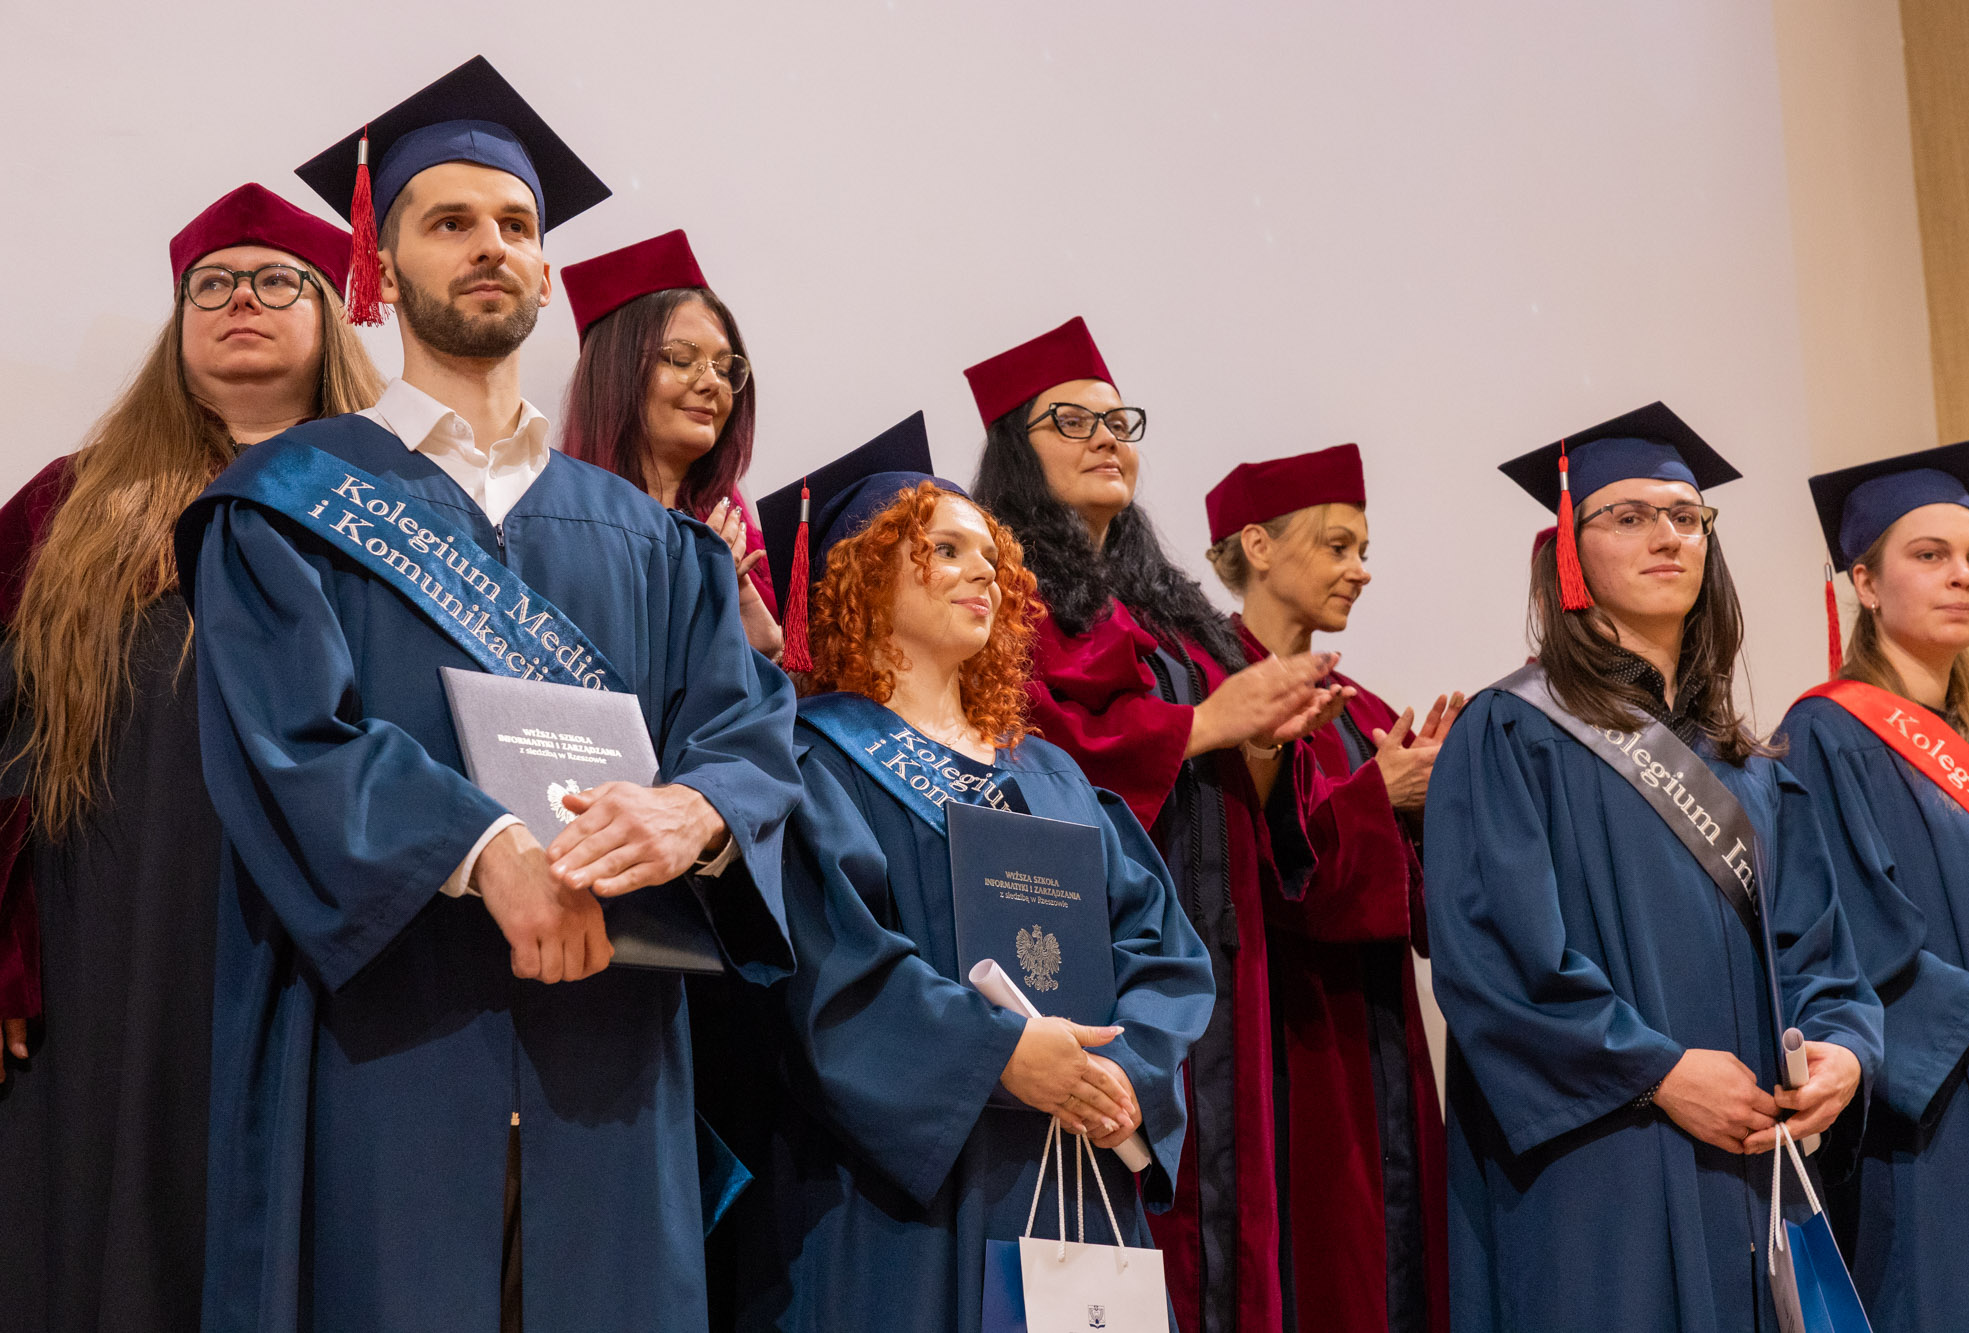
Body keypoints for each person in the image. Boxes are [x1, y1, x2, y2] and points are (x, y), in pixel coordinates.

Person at [179, 57, 798, 1332]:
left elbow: (746, 735)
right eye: (449, 222)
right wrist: (487, 850)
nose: (489, 247)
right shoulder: (287, 505)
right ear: (380, 264)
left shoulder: (652, 540)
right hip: (392, 1037)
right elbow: (292, 739)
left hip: (607, 1042)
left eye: (515, 225)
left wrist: (692, 811)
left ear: (547, 273)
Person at [719, 415, 1212, 1330]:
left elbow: (1160, 950)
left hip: (1068, 1171)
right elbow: (832, 973)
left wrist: (1120, 1074)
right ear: (864, 574)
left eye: (991, 556)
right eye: (945, 550)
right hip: (899, 1204)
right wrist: (1000, 1054)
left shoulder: (1051, 774)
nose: (983, 571)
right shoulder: (815, 763)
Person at [0, 183, 376, 1333]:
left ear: (328, 315)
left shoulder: (400, 505)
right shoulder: (66, 504)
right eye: (211, 285)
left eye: (273, 281)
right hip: (111, 926)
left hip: (328, 920)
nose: (239, 301)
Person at [1425, 402, 1883, 1332]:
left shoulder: (1754, 772)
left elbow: (1821, 955)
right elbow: (1497, 960)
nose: (1667, 536)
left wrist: (1845, 1051)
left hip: (1752, 1164)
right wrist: (1659, 1073)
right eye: (1629, 516)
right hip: (1605, 1166)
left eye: (1685, 516)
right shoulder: (1512, 732)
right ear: (1569, 549)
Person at [967, 316, 1336, 1332]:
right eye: (1071, 420)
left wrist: (1268, 742)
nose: (1106, 438)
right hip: (1102, 952)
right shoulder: (1003, 601)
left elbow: (1234, 764)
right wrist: (1208, 723)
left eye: (1118, 421)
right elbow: (1034, 758)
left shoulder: (1169, 613)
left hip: (1216, 952)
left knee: (1234, 1214)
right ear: (1015, 449)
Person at [1205, 443, 1457, 1333]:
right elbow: (1259, 874)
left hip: (1375, 1032)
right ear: (1258, 546)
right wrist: (1378, 796)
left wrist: (1436, 805)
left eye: (1364, 550)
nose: (1362, 569)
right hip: (1274, 1031)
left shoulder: (1364, 710)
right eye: (1338, 546)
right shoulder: (1210, 692)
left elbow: (1422, 909)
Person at [1775, 440, 1969, 1332]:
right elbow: (1850, 938)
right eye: (1930, 555)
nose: (1963, 576)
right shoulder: (1825, 732)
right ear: (1864, 582)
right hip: (1929, 1117)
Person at [559, 228, 781, 655]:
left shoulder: (743, 544)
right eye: (682, 359)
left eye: (724, 367)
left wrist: (767, 649)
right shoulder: (566, 533)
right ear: (615, 372)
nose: (713, 383)